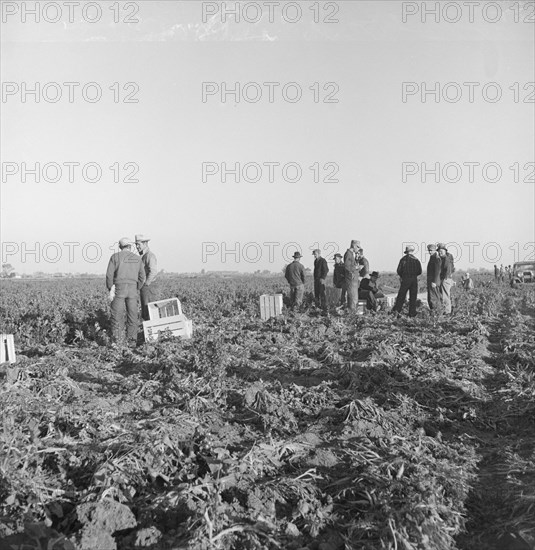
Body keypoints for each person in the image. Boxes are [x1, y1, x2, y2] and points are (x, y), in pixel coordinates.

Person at [106, 237, 146, 345]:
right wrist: (137, 287)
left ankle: (118, 342)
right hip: (132, 288)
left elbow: (109, 275)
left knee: (117, 316)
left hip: (119, 288)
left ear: (120, 246)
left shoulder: (115, 257)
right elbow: (142, 277)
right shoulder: (137, 258)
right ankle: (132, 343)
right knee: (132, 316)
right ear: (130, 246)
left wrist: (111, 288)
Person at [391, 245, 422, 317]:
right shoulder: (416, 260)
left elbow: (399, 270)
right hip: (414, 279)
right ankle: (412, 313)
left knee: (401, 296)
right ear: (412, 251)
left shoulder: (403, 259)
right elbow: (419, 271)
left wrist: (403, 276)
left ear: (406, 252)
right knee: (413, 297)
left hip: (405, 279)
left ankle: (397, 312)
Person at [135, 234, 158, 321]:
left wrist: (146, 283)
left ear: (145, 244)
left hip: (149, 287)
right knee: (146, 312)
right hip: (145, 287)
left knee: (151, 312)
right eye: (136, 244)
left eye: (139, 244)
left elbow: (153, 271)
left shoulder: (149, 255)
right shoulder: (143, 256)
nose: (137, 247)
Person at [343, 240, 361, 310]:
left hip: (353, 280)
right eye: (358, 247)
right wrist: (356, 267)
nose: (358, 249)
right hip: (351, 280)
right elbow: (347, 267)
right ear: (354, 246)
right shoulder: (348, 254)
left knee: (354, 298)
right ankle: (352, 314)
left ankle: (352, 313)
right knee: (352, 298)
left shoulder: (351, 254)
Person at [438, 243, 455, 315]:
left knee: (445, 296)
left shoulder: (445, 259)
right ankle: (447, 310)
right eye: (438, 251)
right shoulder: (445, 258)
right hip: (447, 279)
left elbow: (448, 270)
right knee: (445, 295)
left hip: (445, 279)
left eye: (441, 250)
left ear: (445, 251)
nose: (439, 252)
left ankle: (447, 312)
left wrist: (445, 278)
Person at [427, 244, 442, 314]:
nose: (430, 252)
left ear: (434, 250)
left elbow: (437, 271)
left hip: (434, 282)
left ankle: (437, 314)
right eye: (429, 250)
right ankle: (435, 313)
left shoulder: (436, 258)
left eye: (431, 250)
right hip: (432, 281)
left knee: (434, 298)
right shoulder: (432, 257)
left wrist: (434, 282)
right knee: (431, 298)